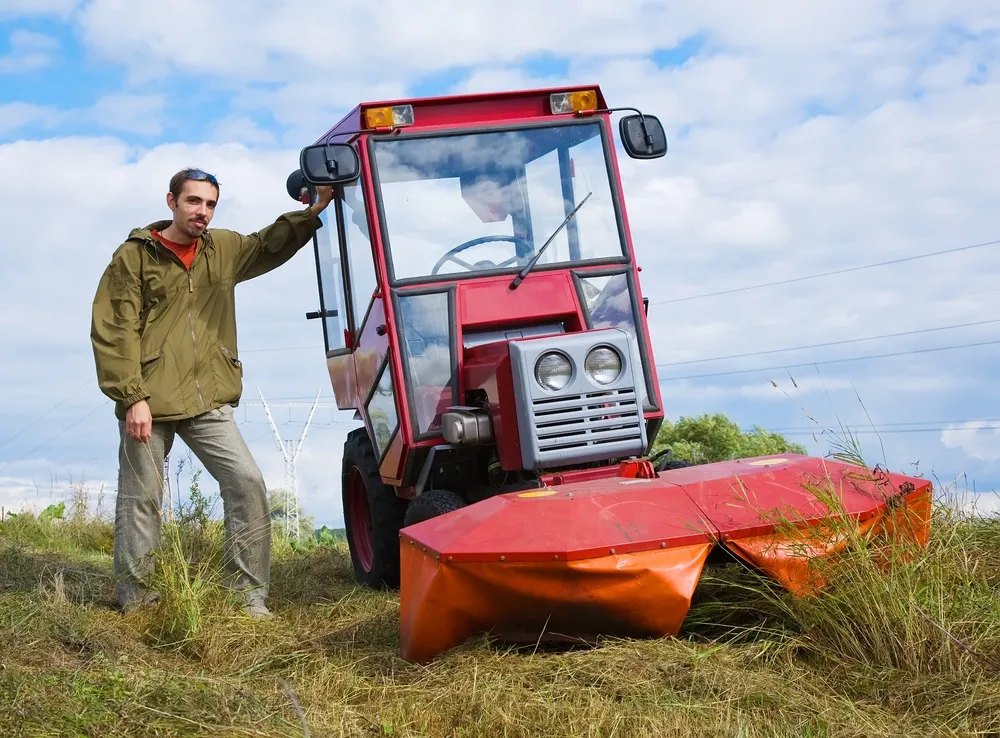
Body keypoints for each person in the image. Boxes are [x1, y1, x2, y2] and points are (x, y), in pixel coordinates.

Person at [90, 167, 334, 617]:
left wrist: (315, 210)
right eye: (193, 202)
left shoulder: (221, 248)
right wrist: (131, 398)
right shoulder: (134, 256)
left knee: (247, 483)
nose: (201, 211)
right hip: (149, 399)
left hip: (208, 400)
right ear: (172, 202)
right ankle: (138, 599)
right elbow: (114, 329)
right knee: (142, 497)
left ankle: (247, 596)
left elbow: (266, 244)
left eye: (209, 204)